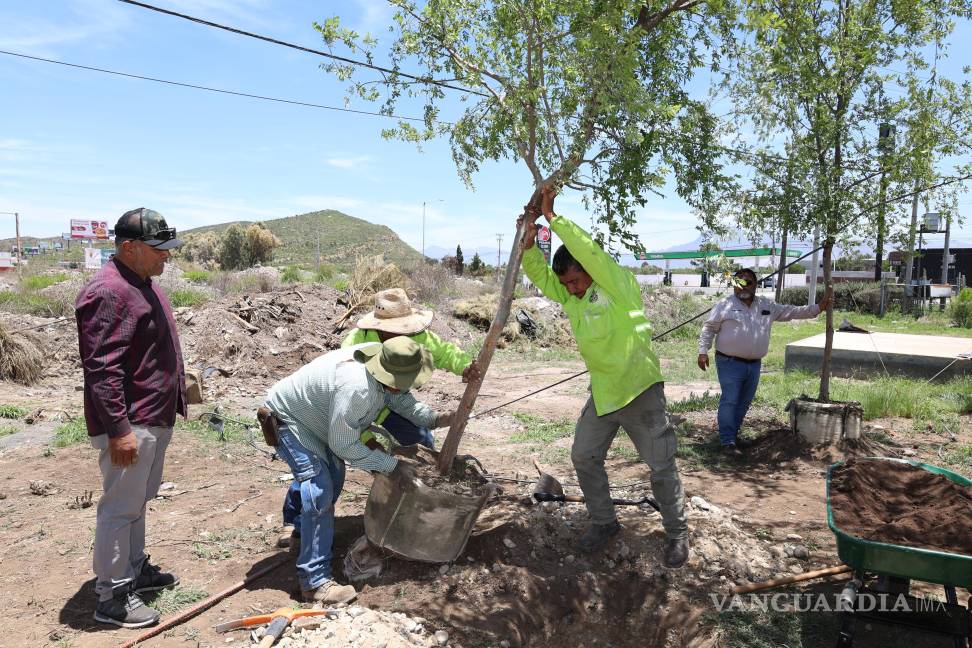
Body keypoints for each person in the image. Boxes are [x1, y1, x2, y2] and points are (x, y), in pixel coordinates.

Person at [519, 187, 689, 568]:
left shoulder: (618, 287)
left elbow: (593, 254)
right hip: (604, 394)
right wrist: (530, 245)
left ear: (590, 273)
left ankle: (677, 533)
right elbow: (542, 278)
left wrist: (554, 219)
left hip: (640, 391)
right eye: (567, 285)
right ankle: (604, 521)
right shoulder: (573, 298)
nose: (572, 289)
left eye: (577, 281)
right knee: (583, 455)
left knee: (661, 466)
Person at [276, 288, 480, 548]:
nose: (399, 333)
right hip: (356, 406)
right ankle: (294, 520)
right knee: (319, 466)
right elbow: (347, 418)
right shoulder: (356, 344)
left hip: (390, 399)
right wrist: (374, 450)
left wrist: (462, 370)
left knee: (422, 444)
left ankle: (418, 504)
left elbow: (439, 356)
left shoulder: (417, 336)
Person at [262, 336, 455, 603]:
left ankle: (305, 537)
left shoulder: (382, 370)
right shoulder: (358, 389)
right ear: (390, 376)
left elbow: (402, 402)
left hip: (318, 420)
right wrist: (392, 466)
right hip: (291, 421)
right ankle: (314, 582)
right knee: (319, 489)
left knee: (334, 476)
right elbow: (343, 445)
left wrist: (436, 419)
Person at [75, 208, 186, 628]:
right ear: (128, 247)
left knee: (137, 502)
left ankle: (134, 570)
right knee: (120, 508)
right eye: (158, 250)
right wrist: (119, 431)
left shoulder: (142, 284)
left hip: (151, 417)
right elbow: (102, 369)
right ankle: (112, 596)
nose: (166, 257)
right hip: (131, 424)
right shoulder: (108, 292)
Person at [698, 268, 831, 457]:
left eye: (748, 282)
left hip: (754, 364)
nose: (743, 285)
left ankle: (732, 436)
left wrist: (818, 308)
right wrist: (703, 351)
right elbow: (709, 328)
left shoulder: (767, 305)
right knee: (730, 399)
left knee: (744, 402)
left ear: (756, 285)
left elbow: (791, 311)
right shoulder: (724, 305)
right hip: (729, 362)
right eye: (739, 282)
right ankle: (727, 441)